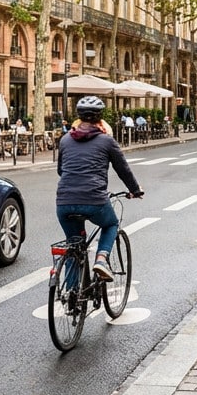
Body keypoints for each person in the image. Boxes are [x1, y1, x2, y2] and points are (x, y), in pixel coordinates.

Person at [56, 96, 144, 280]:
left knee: (73, 245)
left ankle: (72, 301)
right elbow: (123, 170)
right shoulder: (106, 140)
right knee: (111, 223)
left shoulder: (64, 140)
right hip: (94, 200)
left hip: (64, 202)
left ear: (78, 116)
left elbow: (60, 171)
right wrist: (135, 190)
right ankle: (101, 259)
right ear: (100, 117)